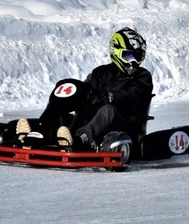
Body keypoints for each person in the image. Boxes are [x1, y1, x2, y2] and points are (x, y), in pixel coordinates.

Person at [21, 28, 153, 151]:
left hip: (125, 123)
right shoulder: (100, 72)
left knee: (108, 110)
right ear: (116, 52)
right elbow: (85, 90)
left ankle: (80, 139)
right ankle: (39, 132)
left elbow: (132, 94)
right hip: (95, 121)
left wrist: (111, 96)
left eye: (138, 56)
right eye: (129, 55)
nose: (134, 61)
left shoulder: (143, 76)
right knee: (70, 105)